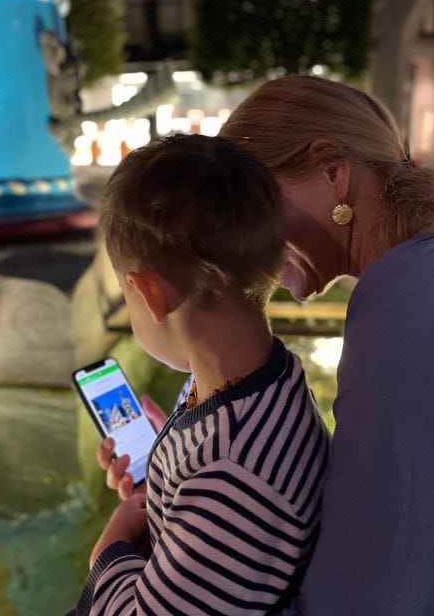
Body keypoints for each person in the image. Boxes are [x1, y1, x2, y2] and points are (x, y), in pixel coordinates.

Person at [103, 76, 434, 615]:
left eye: (251, 203)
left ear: (333, 172)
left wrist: (114, 553)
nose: (237, 239)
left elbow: (371, 599)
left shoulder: (422, 300)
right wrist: (194, 464)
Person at [73, 134, 329, 615]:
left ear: (149, 293)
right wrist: (166, 466)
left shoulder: (233, 476)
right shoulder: (267, 379)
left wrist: (111, 545)